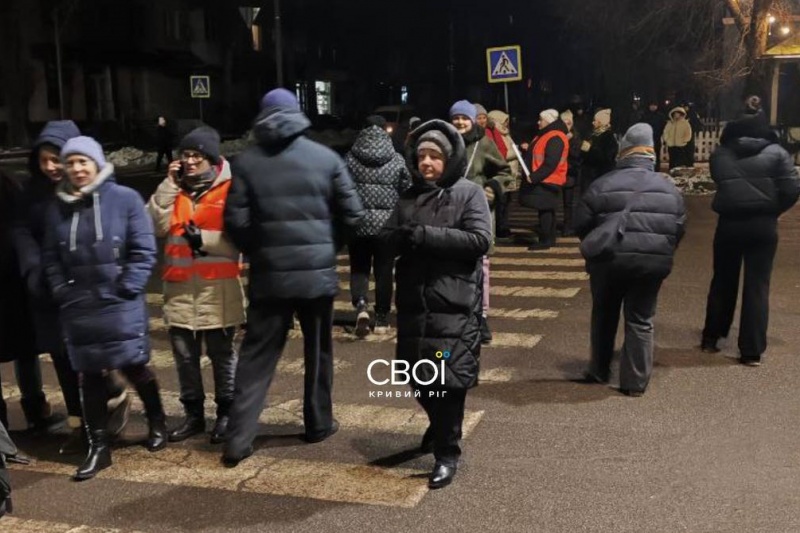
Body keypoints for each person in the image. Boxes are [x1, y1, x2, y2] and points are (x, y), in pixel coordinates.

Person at [221, 89, 364, 466]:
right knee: (319, 351)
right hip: (316, 279)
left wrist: (260, 250)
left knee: (256, 356)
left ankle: (238, 439)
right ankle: (318, 423)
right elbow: (353, 214)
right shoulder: (326, 158)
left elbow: (235, 221)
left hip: (269, 278)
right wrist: (327, 248)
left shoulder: (247, 163)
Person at [42, 136, 167, 480]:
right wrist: (60, 290)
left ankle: (157, 421)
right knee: (90, 376)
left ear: (97, 163)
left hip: (119, 301)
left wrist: (128, 286)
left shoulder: (124, 199)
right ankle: (99, 447)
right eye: (71, 163)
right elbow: (51, 257)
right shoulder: (59, 206)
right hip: (79, 305)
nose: (77, 169)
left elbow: (143, 250)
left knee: (134, 366)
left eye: (83, 161)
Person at [381, 119, 491, 488]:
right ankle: (439, 427)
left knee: (446, 380)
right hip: (414, 304)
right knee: (417, 378)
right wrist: (390, 239)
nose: (426, 162)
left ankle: (447, 453)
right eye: (422, 155)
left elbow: (479, 240)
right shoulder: (408, 195)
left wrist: (426, 236)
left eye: (435, 156)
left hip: (453, 305)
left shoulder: (468, 193)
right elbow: (392, 237)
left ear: (451, 158)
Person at [13, 121, 129, 455]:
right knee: (63, 360)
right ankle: (82, 428)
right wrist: (35, 272)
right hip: (48, 292)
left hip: (86, 290)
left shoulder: (92, 188)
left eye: (56, 158)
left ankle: (113, 398)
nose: (50, 166)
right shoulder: (31, 194)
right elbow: (22, 234)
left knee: (92, 359)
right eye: (44, 159)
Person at [148, 127, 245, 444]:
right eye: (185, 155)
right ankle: (193, 415)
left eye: (196, 156)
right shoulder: (175, 190)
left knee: (222, 356)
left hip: (217, 290)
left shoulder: (230, 190)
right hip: (179, 289)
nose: (189, 161)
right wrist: (168, 185)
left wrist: (202, 240)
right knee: (185, 359)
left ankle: (226, 414)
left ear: (211, 159)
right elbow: (155, 226)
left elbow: (238, 245)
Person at [575, 124, 686, 396]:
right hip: (650, 265)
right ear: (652, 155)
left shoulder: (602, 184)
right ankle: (635, 383)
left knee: (604, 314)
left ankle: (599, 369)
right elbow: (677, 228)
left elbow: (581, 223)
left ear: (622, 153)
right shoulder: (669, 189)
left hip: (609, 262)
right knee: (641, 319)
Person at [700, 101, 800, 365]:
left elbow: (720, 179)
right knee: (757, 286)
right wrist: (773, 209)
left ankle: (712, 337)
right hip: (763, 226)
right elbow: (791, 189)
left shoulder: (721, 154)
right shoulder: (777, 153)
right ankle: (751, 350)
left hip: (729, 223)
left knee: (722, 280)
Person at [450, 100, 512, 344]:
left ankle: (481, 317)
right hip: (451, 212)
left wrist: (493, 187)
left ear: (473, 119)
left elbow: (505, 171)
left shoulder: (483, 143)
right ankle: (457, 314)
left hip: (478, 213)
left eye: (464, 118)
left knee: (481, 266)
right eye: (456, 118)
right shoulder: (446, 143)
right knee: (453, 265)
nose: (460, 122)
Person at [345, 115, 410, 337]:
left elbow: (341, 188)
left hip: (358, 224)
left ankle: (361, 306)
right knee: (384, 271)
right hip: (387, 226)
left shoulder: (350, 158)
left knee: (359, 268)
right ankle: (382, 318)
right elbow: (406, 187)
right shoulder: (396, 159)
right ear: (385, 129)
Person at [0, 169, 41, 429]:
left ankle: (7, 420)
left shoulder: (12, 185)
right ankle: (35, 410)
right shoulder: (13, 185)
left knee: (25, 351)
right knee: (25, 352)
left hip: (13, 285)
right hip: (15, 285)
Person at [519, 109, 569, 251]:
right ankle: (549, 239)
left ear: (548, 121)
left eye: (541, 119)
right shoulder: (549, 135)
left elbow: (550, 162)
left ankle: (545, 240)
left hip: (548, 179)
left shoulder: (554, 136)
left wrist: (534, 177)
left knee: (545, 210)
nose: (538, 122)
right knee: (548, 210)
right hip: (548, 178)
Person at [487, 110, 521, 239]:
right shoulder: (493, 134)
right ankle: (500, 228)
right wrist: (516, 151)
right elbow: (500, 154)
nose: (507, 123)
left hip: (509, 174)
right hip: (501, 174)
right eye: (504, 120)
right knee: (500, 203)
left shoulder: (504, 134)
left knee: (506, 203)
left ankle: (503, 226)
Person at [580, 109, 618, 191]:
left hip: (599, 176)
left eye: (595, 121)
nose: (593, 123)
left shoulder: (608, 137)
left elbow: (607, 158)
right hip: (589, 174)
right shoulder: (593, 134)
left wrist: (590, 149)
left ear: (601, 122)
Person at [560, 110, 582, 236]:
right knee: (552, 201)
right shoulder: (556, 135)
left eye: (569, 123)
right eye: (565, 123)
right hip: (557, 173)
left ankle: (567, 227)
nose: (567, 126)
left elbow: (576, 155)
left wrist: (570, 141)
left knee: (568, 202)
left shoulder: (575, 136)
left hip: (570, 172)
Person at [642, 101, 667, 169]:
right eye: (651, 105)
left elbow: (664, 126)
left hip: (657, 137)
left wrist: (661, 133)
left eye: (654, 105)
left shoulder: (660, 116)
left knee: (657, 153)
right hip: (647, 138)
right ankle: (648, 167)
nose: (653, 107)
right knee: (647, 154)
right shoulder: (645, 115)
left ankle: (657, 167)